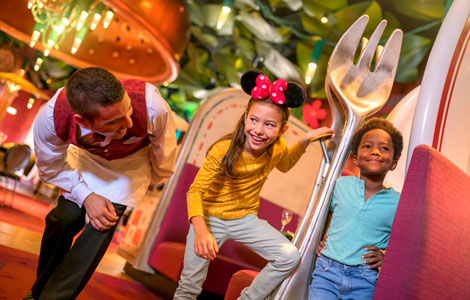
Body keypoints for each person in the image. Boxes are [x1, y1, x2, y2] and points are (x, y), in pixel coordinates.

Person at [173, 70, 333, 300]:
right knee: (189, 286)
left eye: (269, 124)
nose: (258, 130)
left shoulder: (275, 148)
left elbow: (286, 164)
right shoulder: (223, 150)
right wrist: (200, 230)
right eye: (254, 120)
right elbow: (195, 191)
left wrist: (305, 140)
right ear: (245, 117)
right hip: (209, 218)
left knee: (289, 257)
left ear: (282, 129)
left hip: (244, 219)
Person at [24, 67, 177, 300]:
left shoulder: (152, 105)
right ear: (82, 120)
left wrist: (147, 179)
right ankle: (38, 292)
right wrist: (85, 195)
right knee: (64, 219)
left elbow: (164, 155)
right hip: (84, 162)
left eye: (128, 111)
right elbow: (51, 168)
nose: (127, 122)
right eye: (115, 121)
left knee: (101, 225)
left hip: (130, 166)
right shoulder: (51, 117)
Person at [309, 118, 404, 300]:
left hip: (365, 279)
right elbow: (326, 212)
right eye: (367, 146)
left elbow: (403, 242)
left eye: (384, 148)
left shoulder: (398, 203)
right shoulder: (340, 185)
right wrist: (323, 236)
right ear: (355, 158)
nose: (375, 151)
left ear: (393, 162)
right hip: (327, 272)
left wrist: (386, 258)